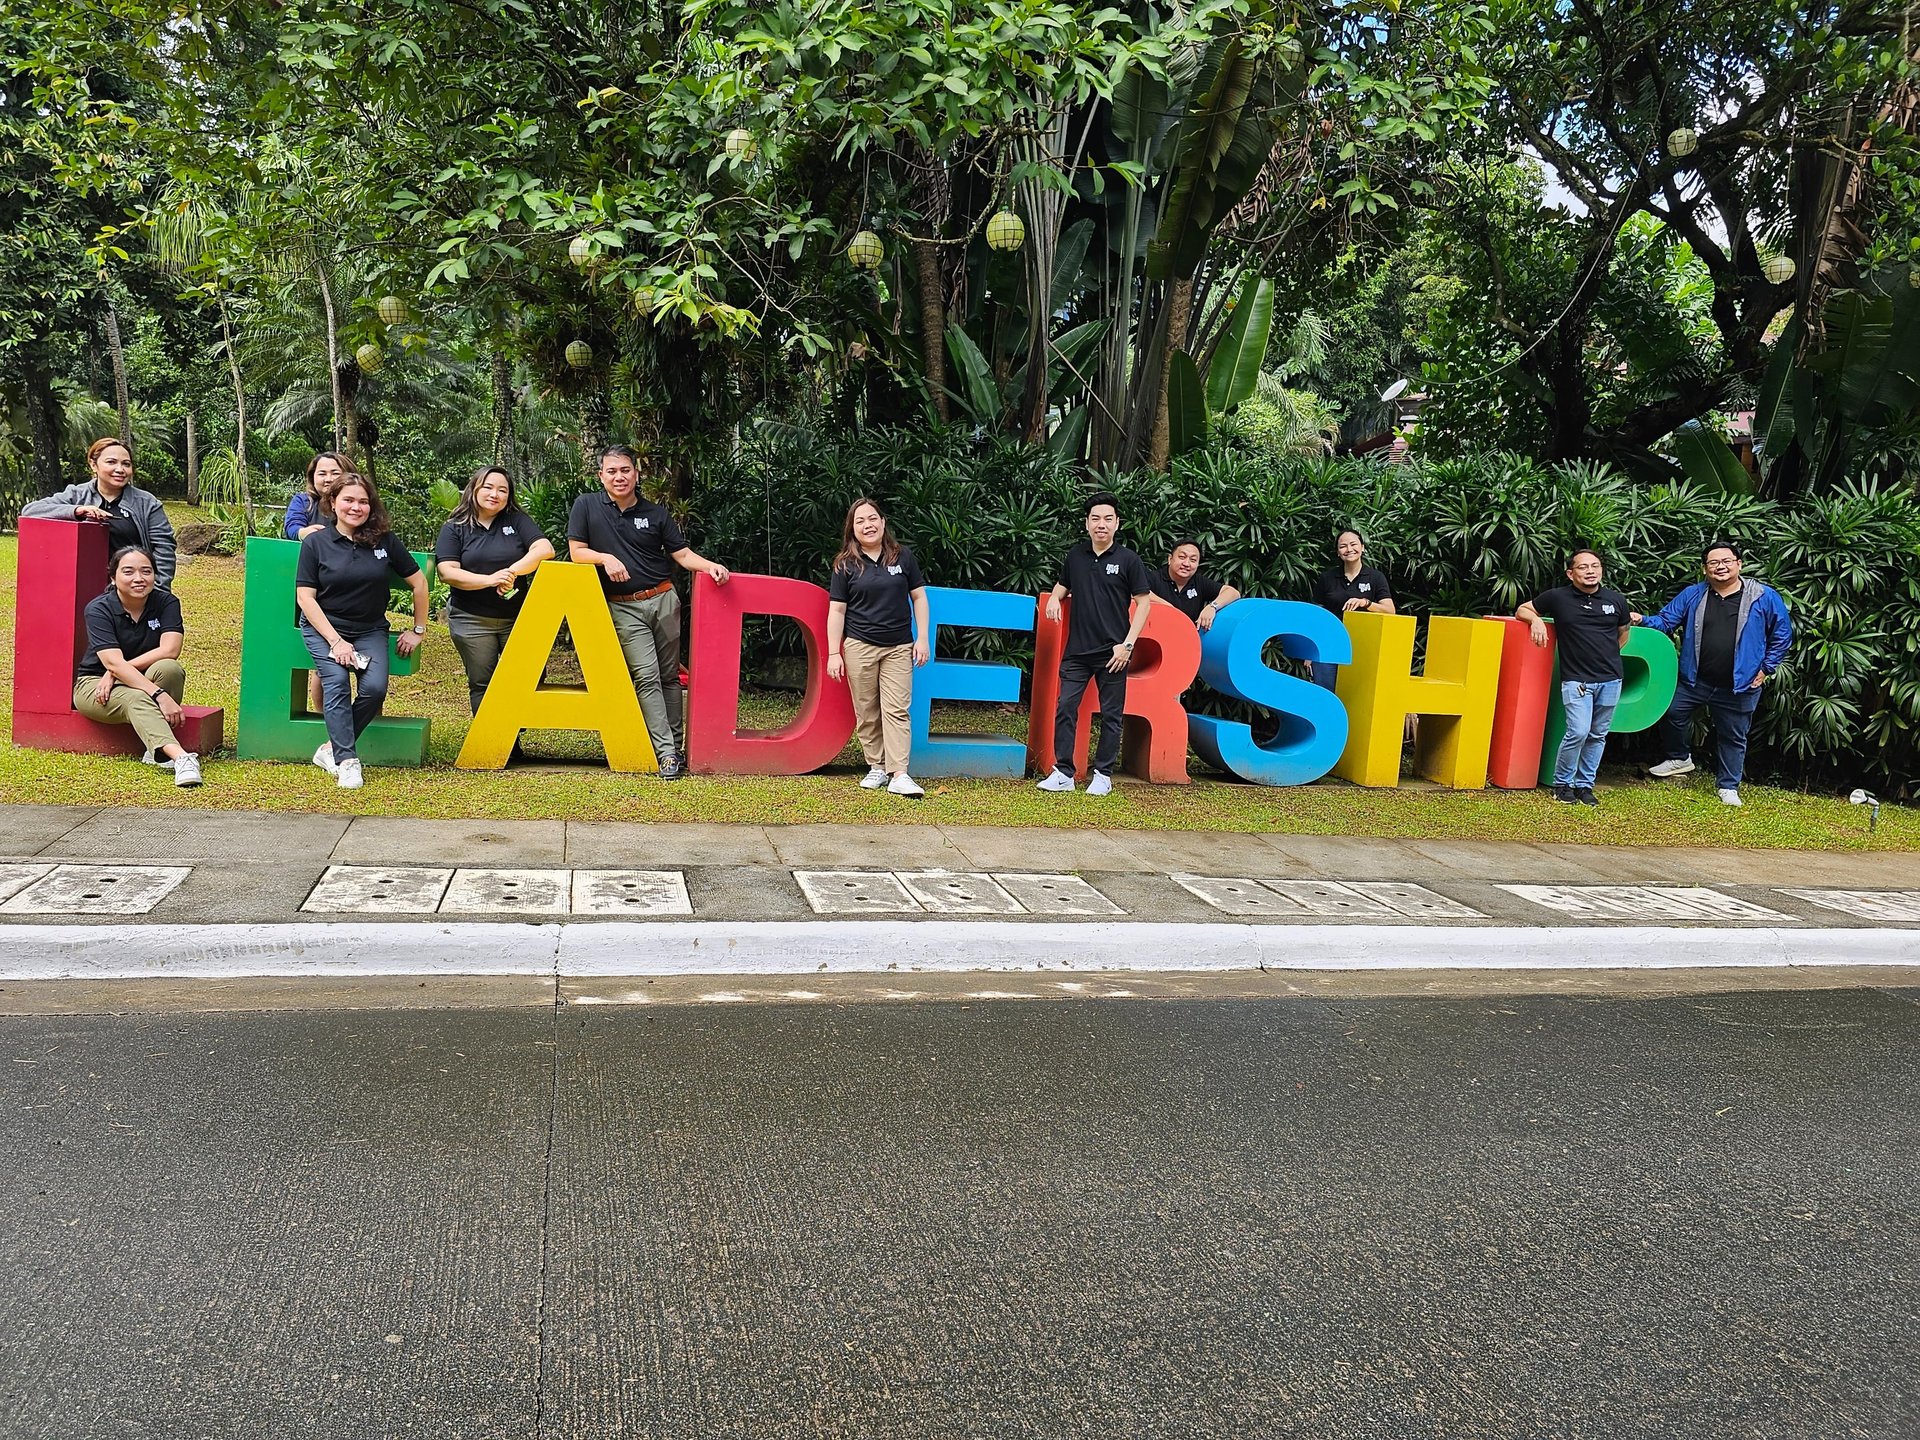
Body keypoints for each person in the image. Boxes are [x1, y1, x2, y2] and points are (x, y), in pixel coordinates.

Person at [566, 444, 731, 780]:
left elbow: (682, 556)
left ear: (636, 474)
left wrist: (711, 566)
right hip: (623, 606)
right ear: (601, 476)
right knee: (646, 675)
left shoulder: (656, 514)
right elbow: (576, 552)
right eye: (611, 471)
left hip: (663, 600)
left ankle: (678, 747)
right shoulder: (586, 506)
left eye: (625, 470)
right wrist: (605, 558)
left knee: (670, 677)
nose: (619, 477)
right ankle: (666, 753)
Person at [295, 474, 429, 791]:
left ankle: (330, 748)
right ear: (333, 503)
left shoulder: (385, 541)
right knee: (337, 683)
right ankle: (347, 761)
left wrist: (418, 629)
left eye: (363, 501)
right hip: (323, 627)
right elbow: (305, 598)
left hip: (369, 630)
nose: (357, 507)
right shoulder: (316, 543)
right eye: (349, 500)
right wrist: (336, 641)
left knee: (374, 689)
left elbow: (419, 582)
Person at [1637, 541, 1793, 807]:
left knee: (1733, 735)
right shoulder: (1693, 594)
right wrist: (1641, 620)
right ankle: (1679, 758)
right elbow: (1666, 621)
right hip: (1696, 679)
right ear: (1704, 569)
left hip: (1739, 685)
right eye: (1713, 563)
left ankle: (1728, 786)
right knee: (1672, 711)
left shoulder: (1762, 596)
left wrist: (1767, 668)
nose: (1720, 567)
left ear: (1739, 564)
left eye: (1726, 561)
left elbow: (1782, 634)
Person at [1035, 491, 1153, 797]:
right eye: (1096, 519)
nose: (1102, 524)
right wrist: (1055, 598)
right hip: (1077, 652)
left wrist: (1127, 645)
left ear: (1117, 524)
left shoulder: (1128, 560)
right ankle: (1063, 773)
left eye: (1108, 519)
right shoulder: (1076, 555)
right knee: (1065, 707)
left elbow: (1143, 604)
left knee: (1111, 715)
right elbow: (1064, 583)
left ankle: (1103, 774)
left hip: (1114, 652)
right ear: (1087, 523)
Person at [825, 498, 931, 797]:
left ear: (883, 523)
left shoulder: (903, 557)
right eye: (860, 521)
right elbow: (837, 611)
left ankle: (900, 774)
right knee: (867, 710)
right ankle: (877, 767)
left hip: (899, 646)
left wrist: (922, 638)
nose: (867, 525)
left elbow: (919, 598)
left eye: (873, 518)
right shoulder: (845, 564)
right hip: (859, 646)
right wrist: (835, 652)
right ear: (852, 529)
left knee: (897, 709)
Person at [73, 545, 203, 787]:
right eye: (128, 572)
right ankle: (182, 758)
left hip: (121, 676)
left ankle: (153, 748)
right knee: (137, 697)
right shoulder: (99, 608)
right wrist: (157, 694)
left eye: (146, 571)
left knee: (169, 668)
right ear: (113, 577)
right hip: (94, 684)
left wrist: (116, 672)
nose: (139, 579)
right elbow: (111, 661)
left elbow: (170, 650)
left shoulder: (166, 602)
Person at [434, 465, 556, 715]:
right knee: (482, 683)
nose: (495, 494)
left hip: (517, 618)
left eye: (502, 490)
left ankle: (511, 732)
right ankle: (493, 746)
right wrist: (490, 580)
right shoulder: (454, 527)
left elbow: (545, 550)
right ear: (475, 488)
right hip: (471, 619)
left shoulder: (517, 520)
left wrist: (511, 572)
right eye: (488, 487)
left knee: (530, 676)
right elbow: (447, 572)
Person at [1517, 548, 1634, 806]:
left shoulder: (1615, 600)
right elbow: (1523, 609)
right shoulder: (1558, 597)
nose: (1590, 571)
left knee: (1597, 734)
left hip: (1611, 678)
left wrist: (1607, 655)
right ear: (1571, 573)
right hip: (1576, 679)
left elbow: (1623, 632)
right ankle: (1562, 784)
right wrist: (1536, 621)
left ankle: (1584, 785)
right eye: (1583, 567)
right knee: (1578, 731)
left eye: (1595, 566)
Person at [22, 438, 178, 588]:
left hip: (132, 589)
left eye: (126, 464)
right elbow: (30, 511)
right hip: (85, 586)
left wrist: (157, 589)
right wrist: (76, 510)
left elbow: (164, 548)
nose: (120, 469)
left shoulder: (147, 502)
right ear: (93, 464)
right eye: (111, 462)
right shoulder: (76, 495)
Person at [1309, 528, 1396, 689]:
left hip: (1364, 646)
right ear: (1338, 552)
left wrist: (1365, 603)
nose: (1349, 549)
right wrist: (1310, 652)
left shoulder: (1375, 577)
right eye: (1343, 546)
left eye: (1353, 544)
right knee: (1326, 692)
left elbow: (1390, 610)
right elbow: (1317, 616)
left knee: (1358, 695)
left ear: (1362, 547)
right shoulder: (1327, 578)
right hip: (1329, 644)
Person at [1147, 539, 1240, 631]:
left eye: (1193, 560)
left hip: (1189, 639)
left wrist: (1212, 606)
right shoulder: (1154, 577)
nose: (1187, 564)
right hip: (1155, 636)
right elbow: (1137, 592)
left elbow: (1233, 593)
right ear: (1170, 559)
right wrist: (1168, 607)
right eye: (1182, 557)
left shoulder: (1199, 581)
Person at [285, 451, 350, 540]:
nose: (328, 479)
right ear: (312, 477)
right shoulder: (304, 501)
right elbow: (292, 526)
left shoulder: (359, 504)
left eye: (335, 473)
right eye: (322, 474)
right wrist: (303, 533)